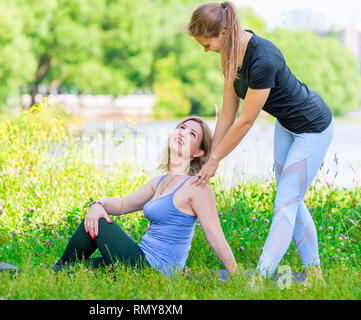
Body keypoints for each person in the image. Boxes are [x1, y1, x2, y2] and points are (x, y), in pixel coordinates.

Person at [186, 2, 333, 285]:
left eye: (207, 44)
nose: (205, 50)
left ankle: (259, 280)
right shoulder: (230, 53)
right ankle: (315, 276)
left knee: (286, 202)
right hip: (287, 125)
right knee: (291, 198)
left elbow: (245, 121)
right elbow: (227, 114)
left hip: (313, 128)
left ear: (225, 31)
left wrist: (215, 160)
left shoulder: (262, 58)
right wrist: (209, 156)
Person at [51, 116, 238, 277]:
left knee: (98, 222)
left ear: (198, 153)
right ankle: (41, 272)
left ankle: (48, 270)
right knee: (72, 271)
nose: (183, 133)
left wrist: (237, 276)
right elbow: (123, 204)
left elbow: (215, 235)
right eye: (181, 128)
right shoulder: (158, 182)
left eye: (192, 134)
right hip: (139, 258)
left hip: (153, 270)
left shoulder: (197, 188)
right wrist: (97, 204)